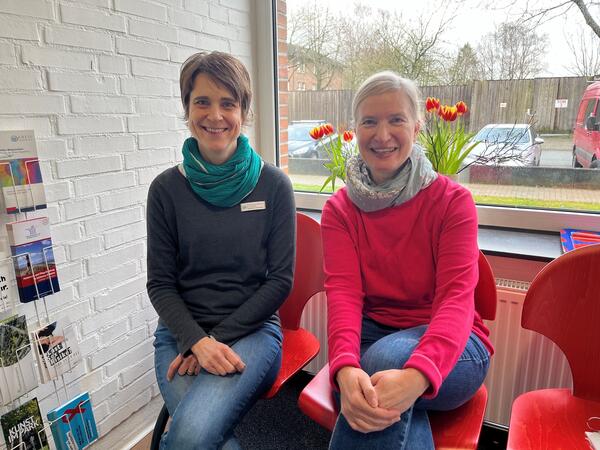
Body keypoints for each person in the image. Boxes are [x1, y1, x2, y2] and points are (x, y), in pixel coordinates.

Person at [322, 71, 494, 449]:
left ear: (417, 127)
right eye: (370, 121)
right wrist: (346, 367)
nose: (382, 135)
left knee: (382, 367)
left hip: (456, 347)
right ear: (355, 130)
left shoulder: (453, 202)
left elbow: (456, 300)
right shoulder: (339, 210)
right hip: (371, 336)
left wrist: (417, 377)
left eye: (396, 120)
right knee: (373, 386)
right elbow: (344, 296)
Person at [146, 51, 295, 450]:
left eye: (228, 102)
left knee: (190, 435)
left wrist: (214, 340)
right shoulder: (165, 190)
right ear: (186, 108)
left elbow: (280, 281)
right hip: (180, 335)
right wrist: (196, 340)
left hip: (252, 331)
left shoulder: (274, 185)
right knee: (197, 438)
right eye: (202, 101)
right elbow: (160, 284)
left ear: (243, 110)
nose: (215, 115)